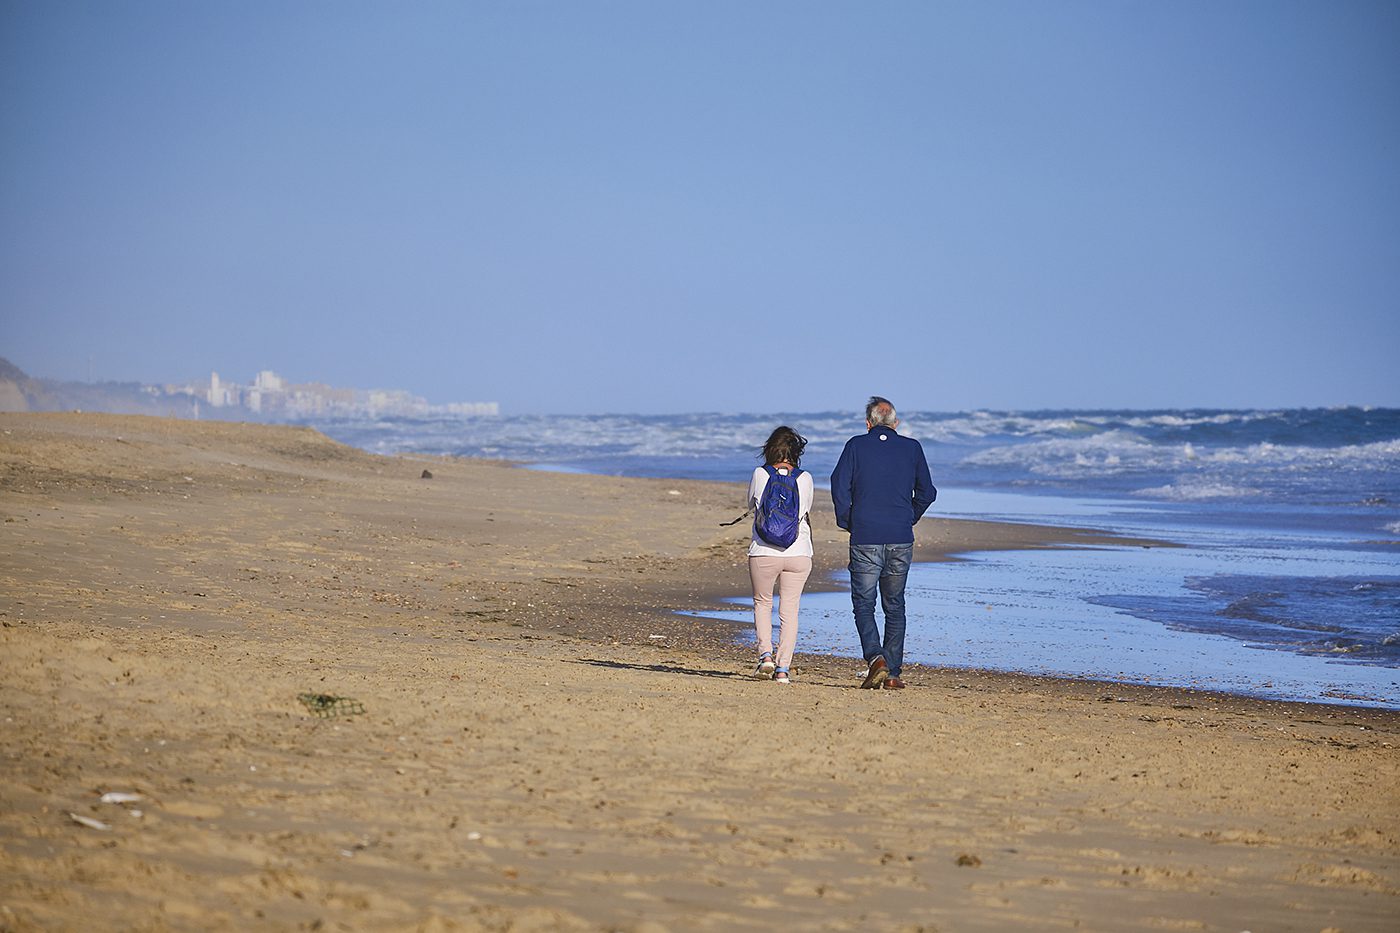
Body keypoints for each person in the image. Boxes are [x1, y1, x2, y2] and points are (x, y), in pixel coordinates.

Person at [830, 397, 937, 690]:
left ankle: (876, 658)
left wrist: (848, 520)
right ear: (896, 424)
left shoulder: (855, 445)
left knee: (864, 604)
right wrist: (908, 516)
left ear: (868, 423)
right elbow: (927, 492)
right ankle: (892, 673)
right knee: (895, 605)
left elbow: (839, 485)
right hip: (900, 536)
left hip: (866, 535)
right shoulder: (912, 447)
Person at [745, 426, 815, 685]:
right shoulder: (805, 477)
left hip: (764, 550)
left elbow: (750, 504)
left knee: (763, 603)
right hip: (798, 552)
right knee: (790, 610)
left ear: (769, 448)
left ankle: (765, 656)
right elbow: (805, 508)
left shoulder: (760, 473)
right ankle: (783, 669)